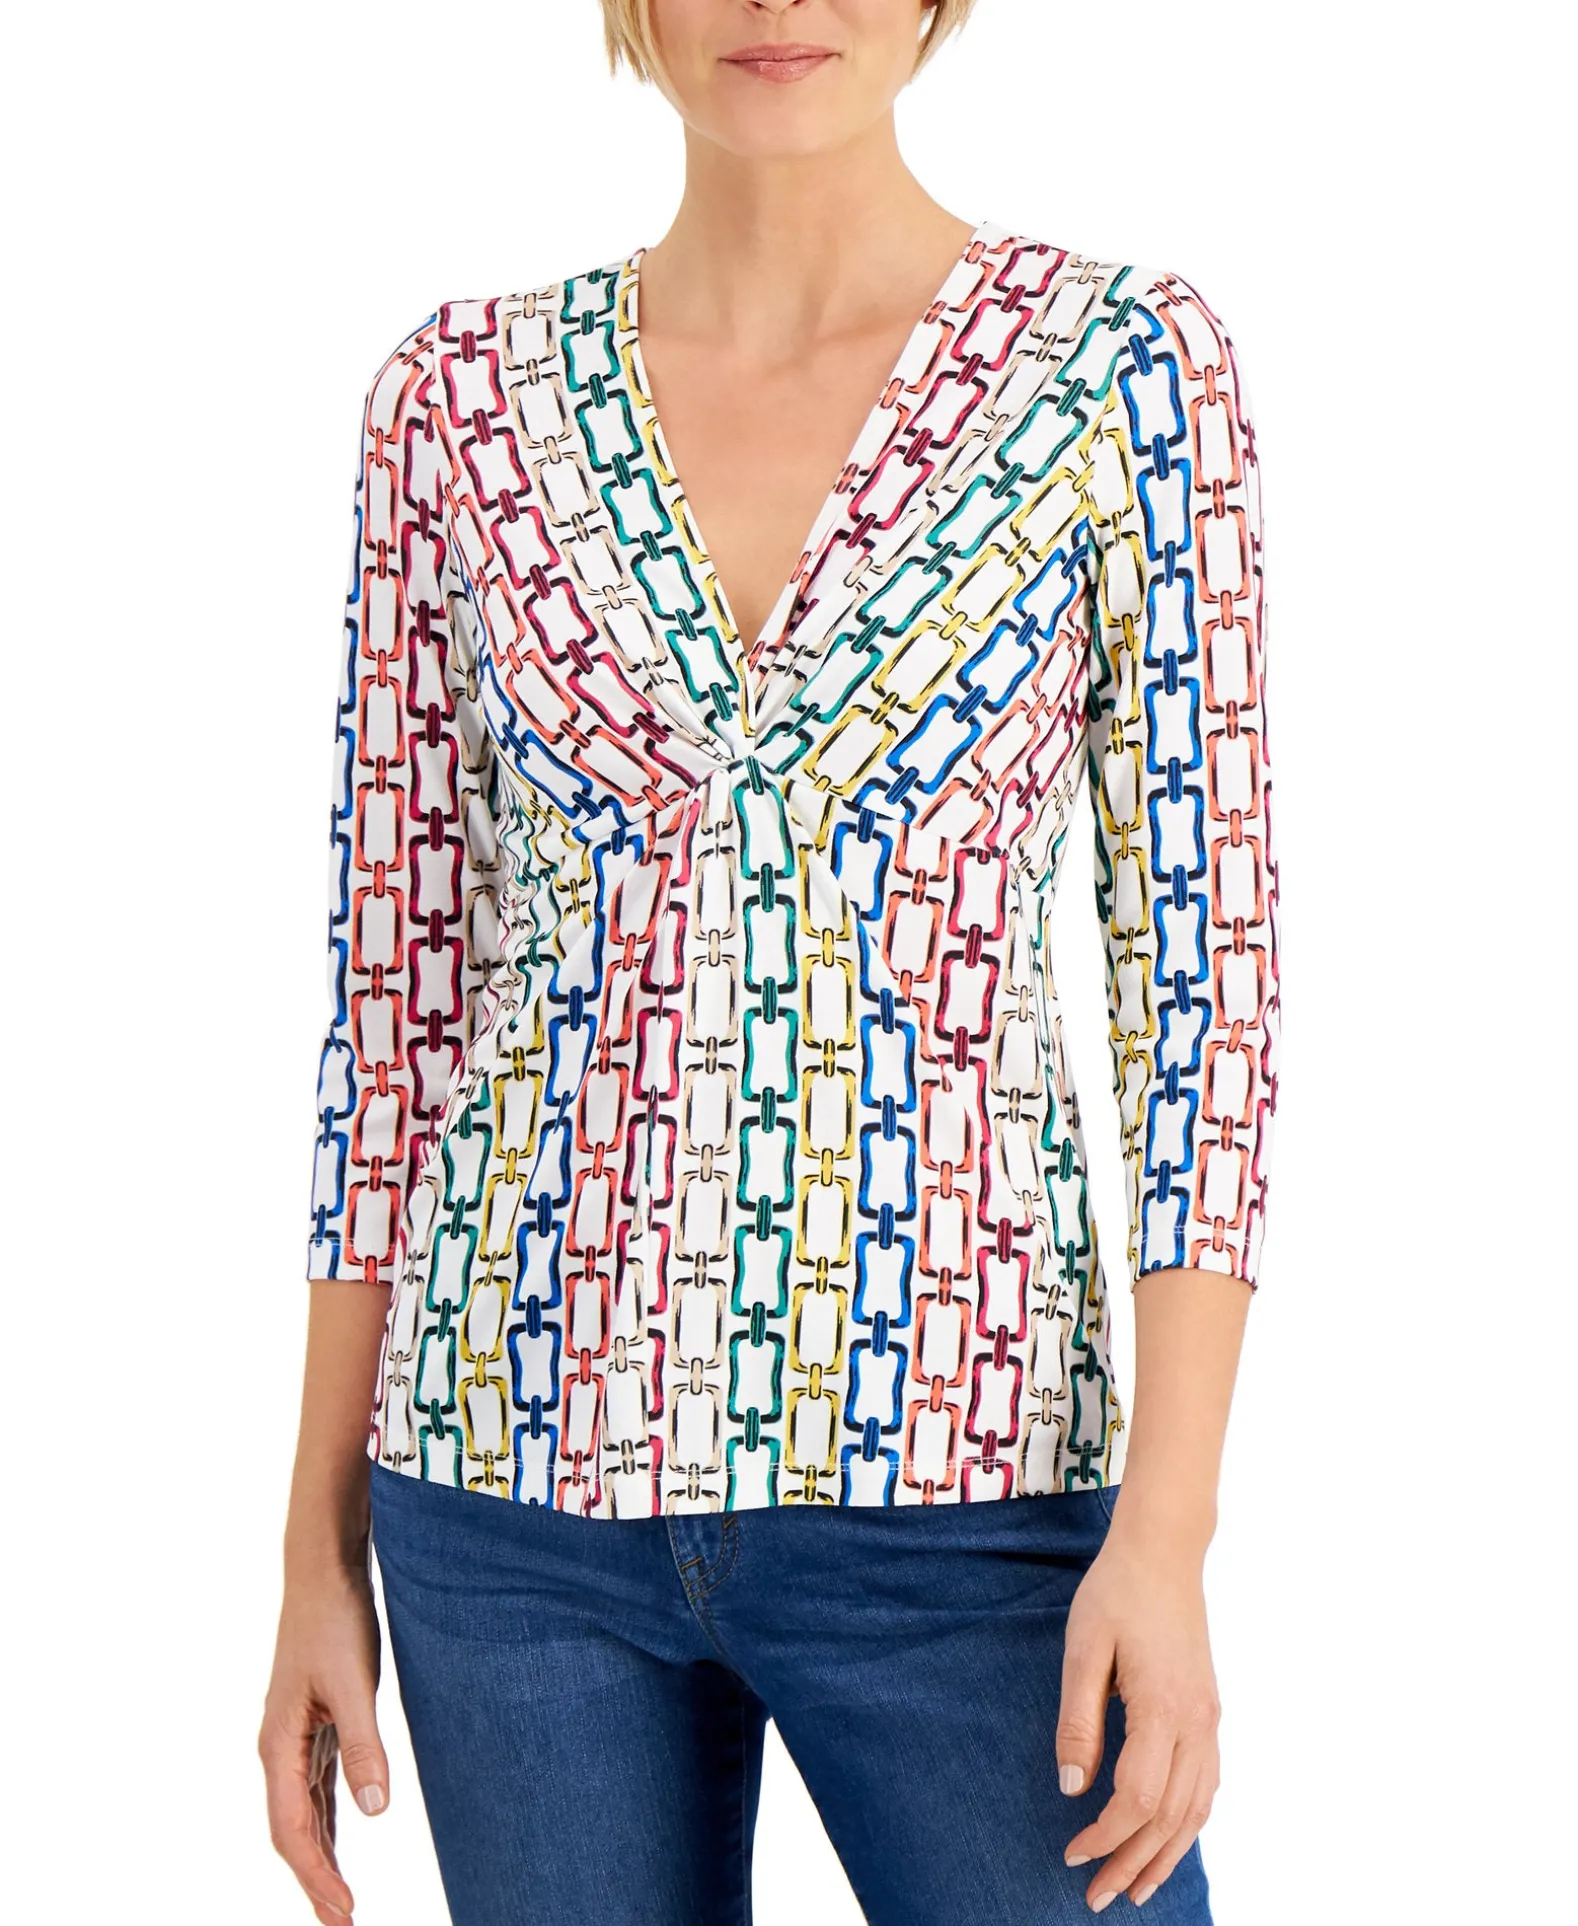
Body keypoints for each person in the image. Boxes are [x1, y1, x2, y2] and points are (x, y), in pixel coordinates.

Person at [258, 2, 1282, 1921]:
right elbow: (391, 1001)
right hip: (503, 1497)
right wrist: (315, 1547)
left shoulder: (1119, 370)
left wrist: (1168, 1529)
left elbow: (1205, 995)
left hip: (967, 1491)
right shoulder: (456, 402)